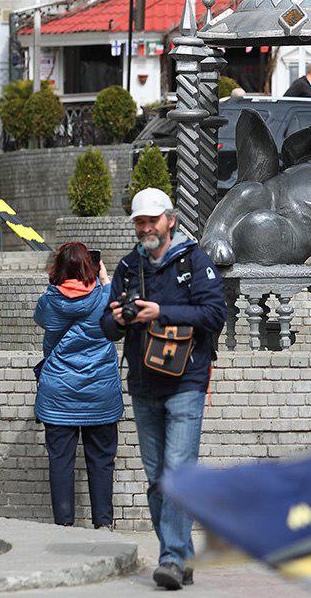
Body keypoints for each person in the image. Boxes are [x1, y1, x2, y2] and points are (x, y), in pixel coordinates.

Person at [100, 188, 227, 591]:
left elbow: (214, 314)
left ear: (169, 220)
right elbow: (105, 327)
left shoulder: (194, 260)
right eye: (139, 222)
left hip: (187, 380)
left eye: (152, 220)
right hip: (142, 381)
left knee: (175, 470)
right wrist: (119, 318)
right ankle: (182, 552)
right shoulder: (126, 267)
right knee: (157, 477)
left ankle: (170, 558)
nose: (146, 228)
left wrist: (162, 312)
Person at [34, 242, 122, 530]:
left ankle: (64, 526)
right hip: (100, 394)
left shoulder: (50, 300)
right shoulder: (106, 296)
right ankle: (104, 526)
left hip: (58, 393)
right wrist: (105, 279)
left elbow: (40, 319)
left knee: (61, 463)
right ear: (91, 266)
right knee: (101, 462)